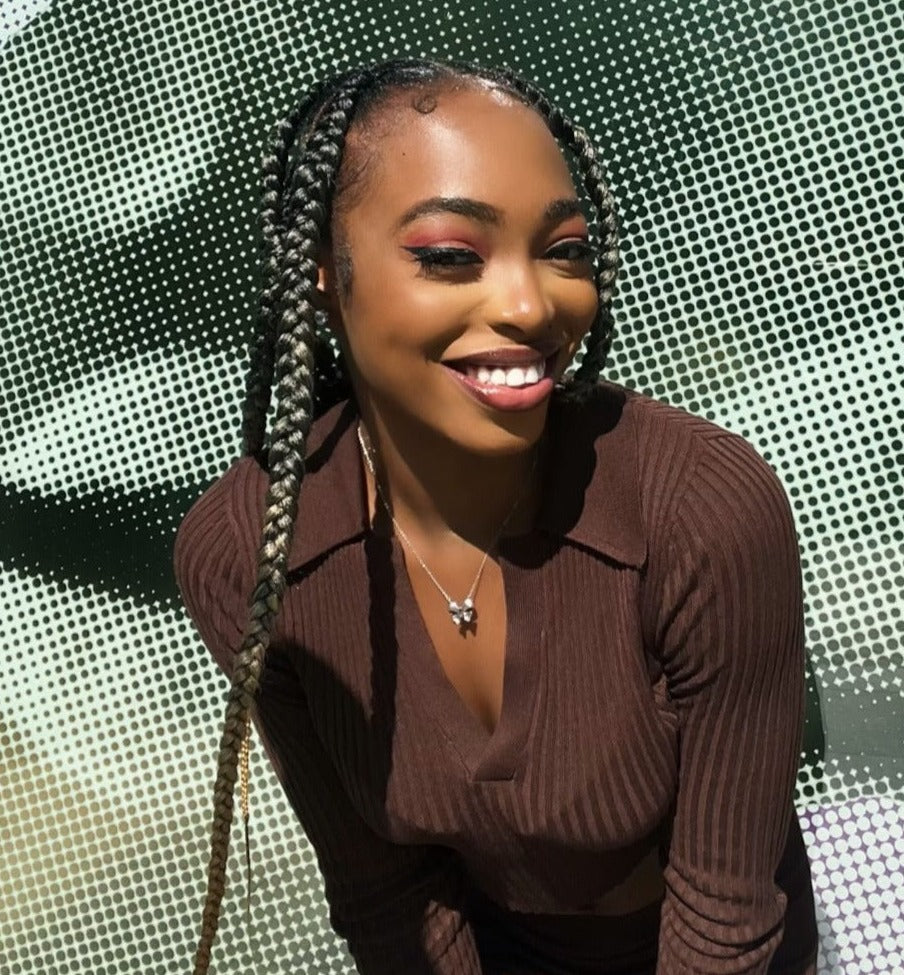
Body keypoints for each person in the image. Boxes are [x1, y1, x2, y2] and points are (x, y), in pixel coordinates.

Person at [173, 56, 819, 975]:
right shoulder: (249, 559)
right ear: (322, 271)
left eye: (564, 250)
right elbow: (383, 893)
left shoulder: (702, 510)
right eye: (449, 256)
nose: (528, 304)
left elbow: (724, 911)